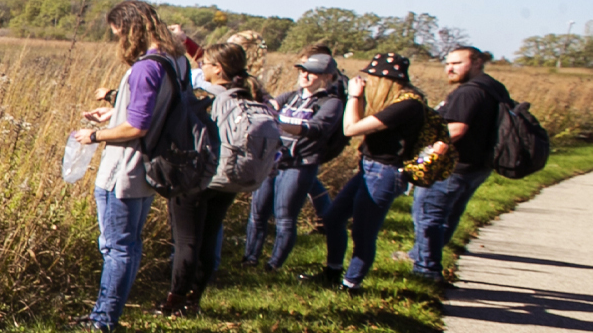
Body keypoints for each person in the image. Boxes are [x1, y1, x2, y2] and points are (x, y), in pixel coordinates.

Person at [70, 0, 187, 333]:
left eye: (119, 34)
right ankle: (108, 315)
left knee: (116, 247)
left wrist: (94, 134)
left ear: (132, 29)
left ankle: (103, 320)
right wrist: (115, 108)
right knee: (130, 244)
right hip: (147, 170)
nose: (118, 41)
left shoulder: (145, 67)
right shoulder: (174, 60)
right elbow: (150, 111)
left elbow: (137, 126)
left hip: (124, 170)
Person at [308, 54, 434, 293]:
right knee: (334, 217)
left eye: (370, 78)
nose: (365, 82)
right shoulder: (398, 102)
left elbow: (351, 128)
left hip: (385, 172)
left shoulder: (407, 105)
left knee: (363, 231)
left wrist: (354, 96)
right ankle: (332, 271)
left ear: (385, 80)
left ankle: (351, 284)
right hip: (370, 168)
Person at [162, 42, 267, 316]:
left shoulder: (203, 94)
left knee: (187, 240)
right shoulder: (250, 95)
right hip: (229, 177)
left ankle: (174, 302)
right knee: (209, 237)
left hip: (200, 175)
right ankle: (194, 300)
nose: (201, 67)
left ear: (217, 68)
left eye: (204, 63)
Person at [409, 46, 507, 280]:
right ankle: (421, 255)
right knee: (448, 214)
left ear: (476, 63)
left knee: (428, 214)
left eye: (457, 63)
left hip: (454, 165)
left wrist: (423, 151)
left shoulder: (468, 92)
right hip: (478, 165)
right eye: (448, 64)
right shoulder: (494, 87)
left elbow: (457, 129)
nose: (450, 68)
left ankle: (427, 269)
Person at [244, 50, 345, 269]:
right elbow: (266, 107)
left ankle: (274, 264)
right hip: (273, 161)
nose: (305, 76)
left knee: (285, 216)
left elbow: (316, 129)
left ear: (328, 77)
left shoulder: (332, 103)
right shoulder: (291, 97)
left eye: (313, 73)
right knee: (257, 212)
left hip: (300, 165)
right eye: (303, 71)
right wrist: (268, 105)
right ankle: (250, 258)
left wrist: (278, 123)